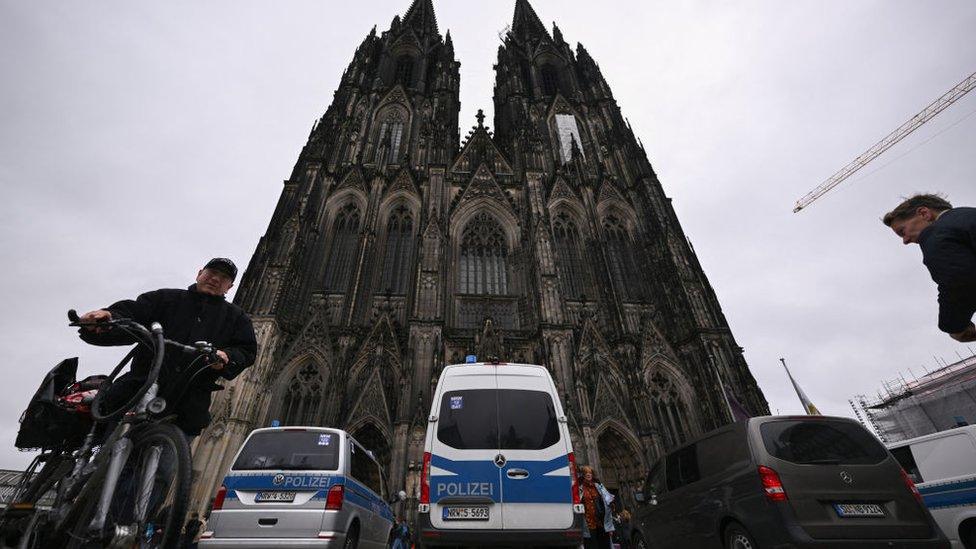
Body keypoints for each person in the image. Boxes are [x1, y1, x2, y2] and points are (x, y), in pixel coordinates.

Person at [78, 257, 258, 437]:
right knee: (114, 453)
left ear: (230, 287)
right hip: (138, 390)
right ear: (199, 274)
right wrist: (107, 318)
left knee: (166, 464)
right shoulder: (166, 299)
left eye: (223, 277)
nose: (215, 279)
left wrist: (226, 357)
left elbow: (245, 350)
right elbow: (133, 313)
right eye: (212, 273)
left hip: (187, 407)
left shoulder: (236, 318)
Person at [883, 194, 976, 342]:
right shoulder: (968, 216)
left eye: (902, 231)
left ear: (924, 213)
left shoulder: (937, 233)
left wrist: (954, 326)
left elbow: (957, 282)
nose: (905, 241)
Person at [579, 465, 615, 549]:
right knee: (591, 545)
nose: (588, 474)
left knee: (605, 545)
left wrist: (611, 503)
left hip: (601, 522)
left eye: (590, 473)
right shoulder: (579, 488)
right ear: (583, 475)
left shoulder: (598, 486)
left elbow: (608, 500)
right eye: (586, 473)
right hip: (588, 524)